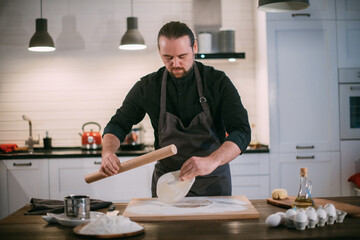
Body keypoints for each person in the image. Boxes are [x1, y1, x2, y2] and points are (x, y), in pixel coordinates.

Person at [100, 21, 251, 197]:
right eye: (168, 58)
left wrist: (212, 160)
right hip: (168, 185)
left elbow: (241, 131)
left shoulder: (217, 82)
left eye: (182, 56)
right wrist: (108, 152)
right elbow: (118, 124)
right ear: (159, 51)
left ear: (194, 47)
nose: (176, 63)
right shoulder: (148, 87)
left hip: (212, 182)